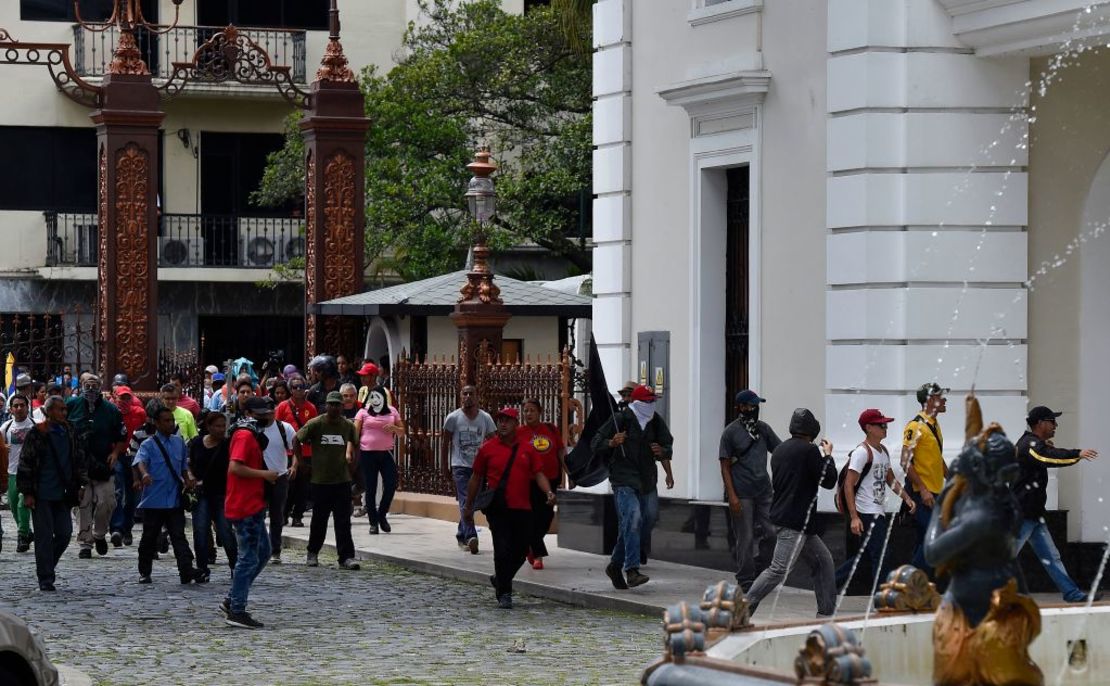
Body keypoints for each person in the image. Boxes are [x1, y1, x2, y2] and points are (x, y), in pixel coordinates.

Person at [745, 408, 838, 618]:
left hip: (793, 521)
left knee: (823, 562)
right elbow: (829, 480)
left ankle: (825, 614)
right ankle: (741, 608)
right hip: (794, 523)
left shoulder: (779, 450)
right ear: (811, 429)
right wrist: (828, 455)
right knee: (778, 570)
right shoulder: (810, 451)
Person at [463, 407, 557, 609]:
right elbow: (476, 478)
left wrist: (548, 492)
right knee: (502, 550)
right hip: (499, 509)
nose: (503, 424)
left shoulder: (527, 448)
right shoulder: (487, 449)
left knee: (522, 550)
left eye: (507, 421)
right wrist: (468, 506)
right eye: (500, 420)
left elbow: (539, 473)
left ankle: (501, 579)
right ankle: (505, 592)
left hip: (523, 507)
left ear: (516, 424)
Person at [1013, 406, 1100, 603]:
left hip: (1033, 514)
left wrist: (1053, 448)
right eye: (1052, 421)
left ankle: (1072, 593)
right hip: (1022, 514)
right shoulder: (1029, 445)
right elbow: (1047, 457)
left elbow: (1046, 453)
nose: (1055, 425)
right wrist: (1078, 453)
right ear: (1040, 423)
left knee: (1052, 557)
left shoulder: (1034, 443)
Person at [592, 384, 675, 589]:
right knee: (634, 519)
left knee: (645, 521)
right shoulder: (621, 419)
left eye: (652, 401)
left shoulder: (655, 421)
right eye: (647, 401)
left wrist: (663, 454)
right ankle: (632, 569)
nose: (651, 404)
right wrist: (612, 442)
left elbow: (667, 444)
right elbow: (595, 442)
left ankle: (615, 564)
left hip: (647, 480)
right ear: (637, 402)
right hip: (623, 479)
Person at [833, 409, 916, 591]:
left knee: (865, 558)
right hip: (866, 512)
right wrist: (854, 517)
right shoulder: (862, 453)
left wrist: (907, 498)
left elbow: (890, 479)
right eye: (881, 425)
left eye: (885, 424)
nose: (885, 428)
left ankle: (829, 583)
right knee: (882, 555)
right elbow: (848, 485)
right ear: (869, 428)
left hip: (877, 510)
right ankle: (883, 598)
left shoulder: (883, 451)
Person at [18, 396, 88, 591]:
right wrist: (28, 492)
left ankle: (47, 565)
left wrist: (82, 483)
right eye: (59, 409)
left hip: (63, 493)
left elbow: (79, 458)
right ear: (49, 412)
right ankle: (46, 577)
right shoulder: (37, 433)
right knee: (44, 536)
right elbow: (26, 463)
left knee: (65, 533)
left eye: (65, 409)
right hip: (41, 493)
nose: (64, 413)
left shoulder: (70, 431)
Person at [223, 398, 281, 629]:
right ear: (248, 413)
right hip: (244, 504)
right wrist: (264, 475)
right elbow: (235, 467)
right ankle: (237, 609)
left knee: (264, 552)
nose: (265, 417)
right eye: (261, 414)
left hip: (253, 503)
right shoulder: (245, 435)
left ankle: (233, 597)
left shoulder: (249, 433)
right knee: (248, 558)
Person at [719, 389, 781, 590]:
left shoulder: (763, 429)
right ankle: (745, 579)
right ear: (742, 407)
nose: (755, 409)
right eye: (752, 405)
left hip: (764, 490)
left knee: (773, 532)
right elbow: (725, 466)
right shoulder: (730, 432)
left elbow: (780, 451)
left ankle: (760, 567)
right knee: (744, 538)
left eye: (757, 406)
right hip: (742, 493)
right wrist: (732, 496)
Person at [291, 391, 360, 570]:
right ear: (326, 406)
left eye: (337, 405)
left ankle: (346, 557)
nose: (334, 408)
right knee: (319, 520)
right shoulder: (316, 424)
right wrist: (301, 463)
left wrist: (353, 464)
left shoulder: (347, 426)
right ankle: (312, 552)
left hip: (341, 480)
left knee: (343, 521)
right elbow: (296, 439)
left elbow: (356, 443)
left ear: (342, 406)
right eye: (331, 405)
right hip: (320, 481)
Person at [133, 405, 199, 585]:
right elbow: (140, 462)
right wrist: (144, 475)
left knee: (178, 536)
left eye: (172, 420)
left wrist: (188, 479)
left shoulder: (179, 442)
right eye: (166, 421)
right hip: (154, 499)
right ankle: (144, 572)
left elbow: (183, 466)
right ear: (156, 423)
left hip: (174, 498)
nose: (171, 424)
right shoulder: (148, 444)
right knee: (149, 537)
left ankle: (186, 571)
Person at [67, 374, 125, 559]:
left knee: (106, 501)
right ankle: (85, 543)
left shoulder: (111, 410)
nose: (90, 390)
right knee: (83, 503)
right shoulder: (72, 405)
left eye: (94, 386)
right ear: (81, 386)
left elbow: (121, 436)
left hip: (102, 464)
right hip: (79, 465)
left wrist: (115, 454)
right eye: (87, 385)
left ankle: (99, 534)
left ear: (100, 387)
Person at [900, 382, 949, 579]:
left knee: (924, 541)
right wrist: (923, 488)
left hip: (934, 491)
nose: (944, 400)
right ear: (929, 400)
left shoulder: (934, 425)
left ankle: (919, 588)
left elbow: (937, 457)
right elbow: (905, 462)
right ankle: (907, 582)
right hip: (922, 494)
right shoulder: (915, 426)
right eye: (940, 397)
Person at [442, 385, 496, 553]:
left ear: (477, 396)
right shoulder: (453, 418)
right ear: (460, 396)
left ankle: (461, 534)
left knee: (471, 501)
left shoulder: (485, 418)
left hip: (478, 467)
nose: (467, 396)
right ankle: (472, 536)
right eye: (464, 393)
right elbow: (445, 443)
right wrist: (445, 466)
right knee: (466, 499)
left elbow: (494, 441)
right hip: (459, 465)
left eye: (471, 393)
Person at [518, 398, 565, 570]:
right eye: (526, 411)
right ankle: (538, 554)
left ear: (540, 412)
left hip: (550, 479)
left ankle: (531, 545)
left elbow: (561, 452)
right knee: (530, 518)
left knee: (546, 517)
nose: (528, 414)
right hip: (528, 481)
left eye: (532, 410)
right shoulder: (519, 433)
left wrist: (569, 474)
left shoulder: (551, 429)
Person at [189, 412, 236, 582]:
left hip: (222, 493)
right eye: (217, 426)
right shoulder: (197, 443)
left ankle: (234, 565)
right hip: (202, 494)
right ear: (208, 427)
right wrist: (191, 477)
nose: (221, 429)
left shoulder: (228, 444)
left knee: (225, 531)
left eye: (223, 425)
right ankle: (202, 568)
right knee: (200, 531)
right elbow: (188, 463)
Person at [354, 386, 403, 534]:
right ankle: (373, 522)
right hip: (367, 453)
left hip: (385, 452)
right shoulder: (363, 411)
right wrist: (351, 451)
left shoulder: (392, 411)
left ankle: (382, 514)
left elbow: (402, 432)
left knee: (391, 483)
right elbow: (355, 433)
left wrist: (394, 428)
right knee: (371, 488)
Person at [254, 399, 294, 564]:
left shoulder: (284, 428)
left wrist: (295, 465)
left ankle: (275, 550)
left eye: (271, 410)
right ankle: (258, 547)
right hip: (259, 477)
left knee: (277, 515)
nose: (268, 414)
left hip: (280, 476)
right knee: (257, 514)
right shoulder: (254, 429)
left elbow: (296, 446)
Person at [276, 376, 317, 527]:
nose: (298, 390)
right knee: (288, 486)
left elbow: (314, 429)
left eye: (301, 387)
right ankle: (284, 513)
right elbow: (277, 426)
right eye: (295, 387)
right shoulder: (282, 407)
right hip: (287, 453)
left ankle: (298, 516)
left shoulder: (310, 407)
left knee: (303, 486)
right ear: (290, 390)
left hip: (306, 453)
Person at [109, 386, 146, 548]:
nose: (124, 401)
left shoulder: (138, 413)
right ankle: (116, 528)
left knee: (133, 496)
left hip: (134, 456)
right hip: (115, 455)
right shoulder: (110, 412)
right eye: (121, 398)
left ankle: (127, 527)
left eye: (127, 398)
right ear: (115, 397)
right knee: (117, 492)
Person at [2, 394, 35, 553]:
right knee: (14, 505)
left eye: (22, 405)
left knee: (23, 502)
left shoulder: (35, 426)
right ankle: (28, 533)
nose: (19, 408)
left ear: (28, 408)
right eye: (16, 406)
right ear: (11, 409)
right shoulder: (6, 428)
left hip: (30, 473)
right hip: (12, 472)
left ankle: (22, 535)